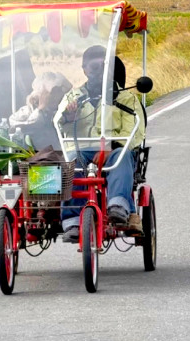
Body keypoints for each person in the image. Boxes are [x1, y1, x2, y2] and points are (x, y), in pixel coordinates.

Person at [56, 46, 146, 243]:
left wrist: (111, 147)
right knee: (70, 164)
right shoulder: (73, 97)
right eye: (94, 68)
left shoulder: (126, 98)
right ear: (85, 70)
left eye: (103, 67)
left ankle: (118, 207)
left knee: (121, 157)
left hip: (113, 150)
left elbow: (135, 132)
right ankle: (72, 221)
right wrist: (69, 117)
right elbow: (58, 126)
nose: (98, 72)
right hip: (81, 150)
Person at [8, 71, 72, 150]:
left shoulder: (59, 112)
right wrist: (41, 108)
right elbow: (24, 128)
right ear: (41, 95)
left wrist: (68, 118)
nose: (56, 96)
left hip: (59, 157)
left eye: (59, 91)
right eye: (53, 92)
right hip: (36, 158)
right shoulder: (26, 112)